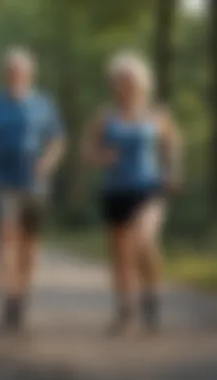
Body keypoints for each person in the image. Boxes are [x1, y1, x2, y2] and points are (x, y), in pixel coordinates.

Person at [81, 51, 182, 335]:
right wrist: (101, 157)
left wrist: (172, 171)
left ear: (142, 83)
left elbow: (172, 144)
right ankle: (125, 308)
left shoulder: (156, 114)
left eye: (130, 80)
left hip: (148, 188)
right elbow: (87, 150)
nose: (125, 85)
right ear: (112, 84)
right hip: (115, 190)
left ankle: (151, 296)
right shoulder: (104, 116)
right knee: (120, 254)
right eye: (119, 80)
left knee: (144, 240)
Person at [0, 47, 65, 330]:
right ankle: (7, 296)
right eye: (10, 71)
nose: (15, 76)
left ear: (30, 75)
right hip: (0, 179)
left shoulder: (44, 103)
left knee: (29, 242)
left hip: (34, 182)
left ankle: (21, 293)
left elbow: (58, 141)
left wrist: (47, 162)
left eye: (20, 72)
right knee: (4, 236)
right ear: (2, 75)